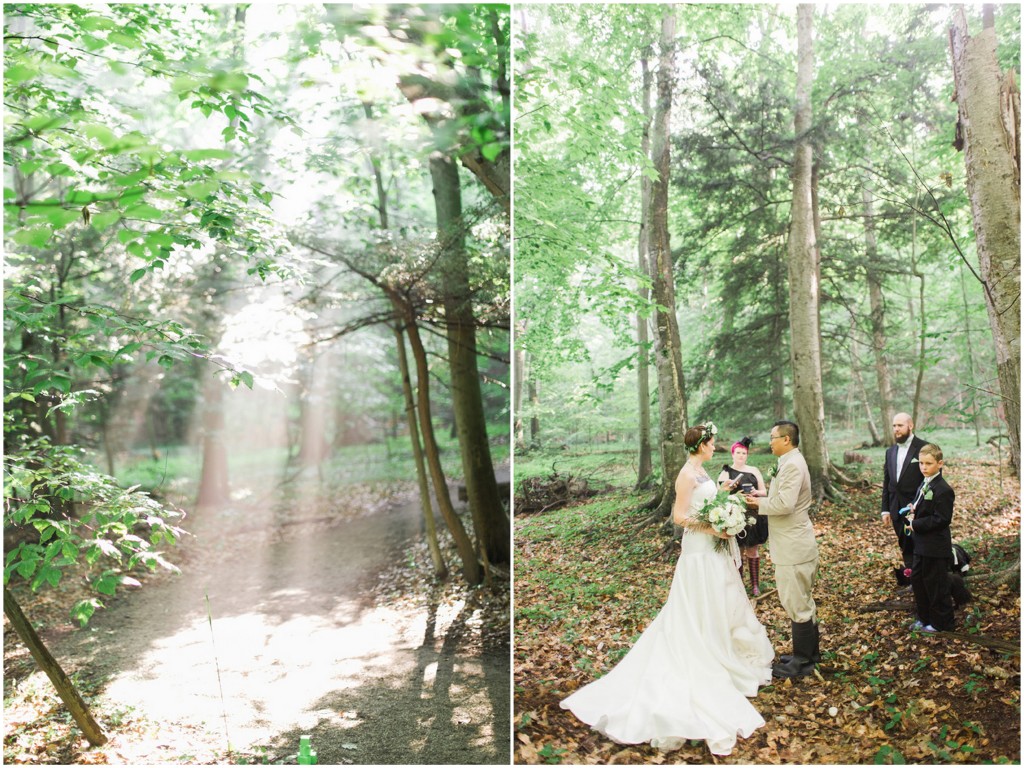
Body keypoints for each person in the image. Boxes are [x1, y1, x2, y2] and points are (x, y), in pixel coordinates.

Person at [560, 422, 773, 756]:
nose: (715, 446)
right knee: (695, 609)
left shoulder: (703, 474)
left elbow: (707, 503)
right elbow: (678, 516)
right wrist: (714, 528)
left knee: (719, 604)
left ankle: (719, 648)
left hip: (712, 550)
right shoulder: (686, 475)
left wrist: (725, 499)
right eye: (712, 442)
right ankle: (700, 653)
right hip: (699, 551)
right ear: (700, 445)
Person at [743, 420, 820, 679]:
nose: (770, 441)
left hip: (794, 547)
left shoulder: (793, 465)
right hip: (791, 544)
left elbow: (785, 505)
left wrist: (757, 505)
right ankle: (808, 654)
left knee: (797, 602)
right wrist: (761, 499)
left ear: (786, 439)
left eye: (773, 437)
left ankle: (803, 661)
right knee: (799, 600)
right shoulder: (787, 462)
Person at [906, 443, 956, 632]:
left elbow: (942, 519)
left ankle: (941, 624)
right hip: (921, 545)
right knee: (918, 581)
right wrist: (913, 509)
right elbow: (922, 504)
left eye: (928, 463)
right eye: (921, 463)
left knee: (936, 586)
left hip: (935, 547)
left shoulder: (943, 489)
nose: (924, 467)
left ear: (940, 463)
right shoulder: (925, 482)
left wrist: (915, 524)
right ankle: (924, 618)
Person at [718, 437, 768, 595]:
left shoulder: (753, 470)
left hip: (753, 513)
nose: (741, 455)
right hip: (735, 515)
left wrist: (755, 492)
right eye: (738, 453)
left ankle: (755, 585)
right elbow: (719, 494)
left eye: (744, 453)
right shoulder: (726, 472)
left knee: (752, 550)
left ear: (747, 455)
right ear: (732, 454)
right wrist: (729, 487)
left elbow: (764, 492)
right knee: (737, 551)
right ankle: (738, 585)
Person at [881, 412, 927, 570]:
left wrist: (919, 507)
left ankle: (924, 580)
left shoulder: (924, 448)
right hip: (896, 508)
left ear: (911, 425)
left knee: (920, 546)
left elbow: (930, 482)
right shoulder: (890, 452)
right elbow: (887, 482)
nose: (896, 429)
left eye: (900, 425)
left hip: (918, 509)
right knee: (905, 545)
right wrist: (885, 510)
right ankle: (912, 579)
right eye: (894, 426)